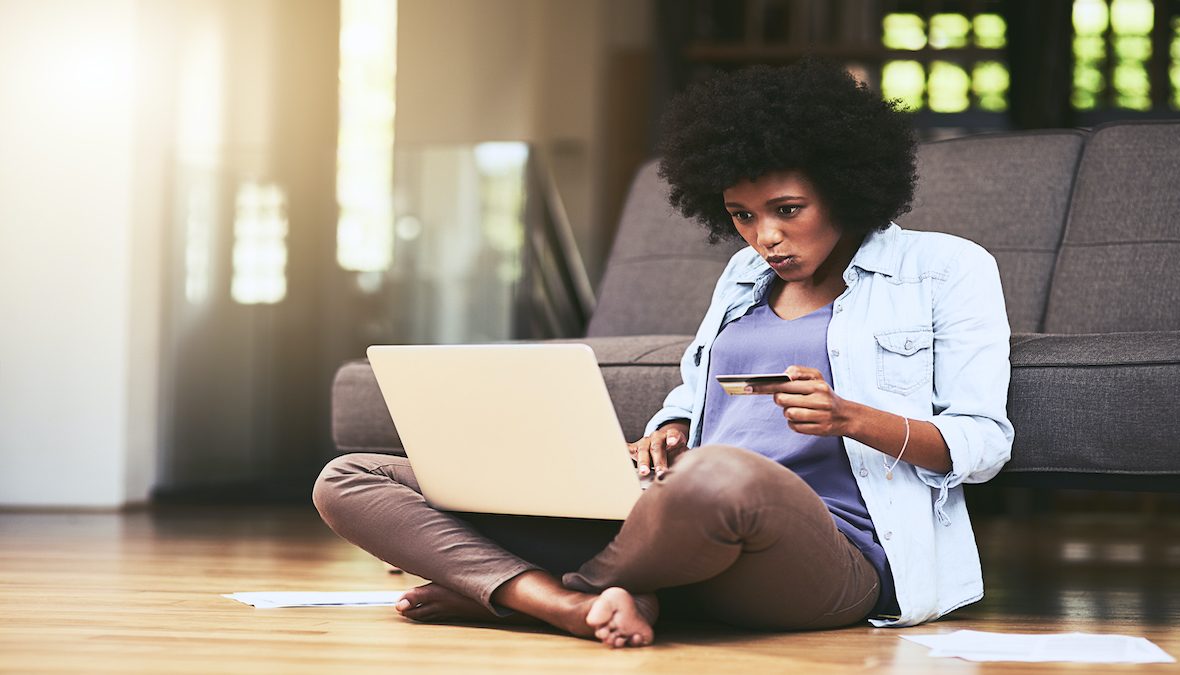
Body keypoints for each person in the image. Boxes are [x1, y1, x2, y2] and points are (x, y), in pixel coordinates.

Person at [313, 58, 1013, 649]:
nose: (763, 236)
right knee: (350, 476)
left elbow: (982, 444)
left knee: (720, 478)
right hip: (673, 525)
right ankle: (572, 604)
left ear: (846, 185)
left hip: (831, 555)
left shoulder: (946, 269)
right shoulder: (744, 278)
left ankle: (532, 589)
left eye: (787, 209)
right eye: (742, 215)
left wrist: (852, 417)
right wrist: (669, 431)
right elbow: (699, 392)